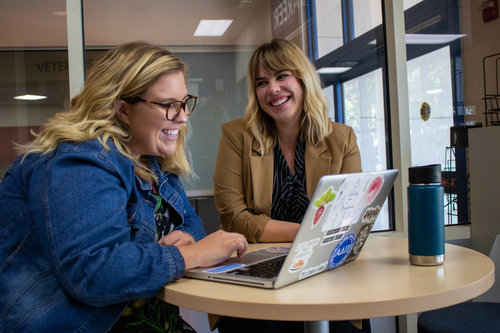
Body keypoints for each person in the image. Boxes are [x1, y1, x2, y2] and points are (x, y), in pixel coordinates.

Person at [0, 41, 247, 333]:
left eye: (184, 103)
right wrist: (193, 255)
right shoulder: (79, 161)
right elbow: (94, 271)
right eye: (168, 105)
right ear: (123, 110)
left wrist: (187, 237)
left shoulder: (153, 161)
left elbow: (189, 221)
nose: (182, 117)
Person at [212, 39, 367, 333]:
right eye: (262, 82)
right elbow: (234, 218)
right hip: (259, 275)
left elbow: (348, 219)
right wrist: (307, 233)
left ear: (303, 79)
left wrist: (317, 236)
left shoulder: (342, 139)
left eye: (282, 76)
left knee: (346, 326)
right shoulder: (236, 136)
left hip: (325, 269)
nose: (272, 89)